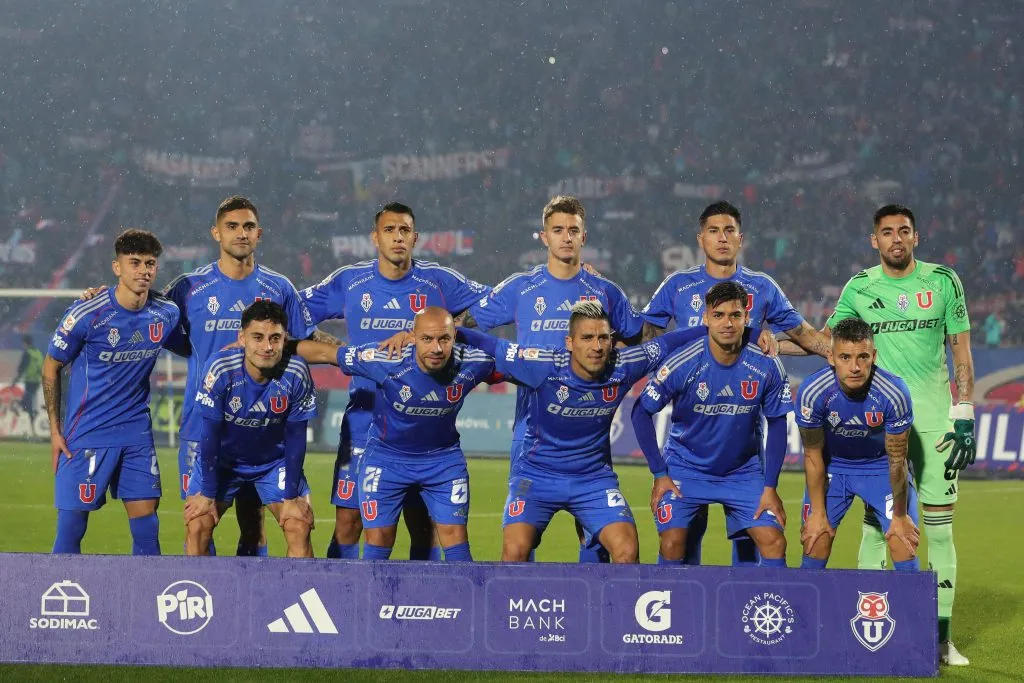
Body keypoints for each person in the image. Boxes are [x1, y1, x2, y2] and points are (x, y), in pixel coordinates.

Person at [456, 302, 754, 563]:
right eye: (587, 338)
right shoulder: (541, 364)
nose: (597, 346)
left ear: (612, 341)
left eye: (603, 338)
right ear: (570, 342)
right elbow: (489, 344)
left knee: (627, 549)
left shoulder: (623, 366)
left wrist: (742, 334)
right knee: (515, 549)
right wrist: (447, 330)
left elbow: (669, 342)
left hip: (593, 480)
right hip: (537, 477)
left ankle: (616, 613)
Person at [820, 204, 975, 666]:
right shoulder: (860, 287)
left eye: (904, 231)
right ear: (875, 240)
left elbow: (961, 351)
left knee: (940, 532)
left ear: (916, 236)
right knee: (877, 531)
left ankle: (940, 639)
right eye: (887, 232)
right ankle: (874, 631)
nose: (896, 239)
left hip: (935, 427)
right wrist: (775, 340)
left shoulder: (943, 282)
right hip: (882, 428)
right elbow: (827, 341)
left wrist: (964, 413)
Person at [641, 200, 830, 568]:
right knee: (684, 534)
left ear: (741, 239)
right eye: (714, 231)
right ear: (700, 239)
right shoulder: (678, 286)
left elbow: (804, 337)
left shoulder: (762, 287)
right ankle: (683, 602)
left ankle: (749, 604)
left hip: (743, 443)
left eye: (729, 231)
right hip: (690, 434)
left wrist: (837, 352)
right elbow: (646, 337)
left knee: (749, 540)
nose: (722, 238)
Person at [299, 201, 489, 561]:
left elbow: (496, 303)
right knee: (349, 522)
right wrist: (337, 348)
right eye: (389, 230)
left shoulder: (439, 281)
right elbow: (293, 311)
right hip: (364, 418)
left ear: (415, 238)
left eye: (404, 230)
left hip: (420, 423)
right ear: (375, 237)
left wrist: (447, 329)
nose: (397, 237)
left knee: (423, 527)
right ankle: (343, 593)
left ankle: (422, 596)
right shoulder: (350, 281)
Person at [463, 195, 644, 564]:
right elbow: (468, 324)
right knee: (521, 539)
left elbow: (636, 338)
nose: (566, 237)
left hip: (587, 428)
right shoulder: (521, 288)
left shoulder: (605, 291)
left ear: (584, 236)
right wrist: (490, 366)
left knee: (594, 537)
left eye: (573, 230)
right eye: (558, 230)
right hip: (533, 429)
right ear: (544, 237)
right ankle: (521, 599)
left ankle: (594, 599)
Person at [294, 307, 497, 561]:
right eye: (427, 339)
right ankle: (370, 588)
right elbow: (327, 353)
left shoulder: (474, 361)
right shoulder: (386, 358)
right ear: (413, 337)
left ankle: (455, 589)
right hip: (386, 459)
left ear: (454, 337)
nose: (436, 348)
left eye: (444, 339)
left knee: (455, 539)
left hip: (443, 462)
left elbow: (520, 365)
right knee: (379, 538)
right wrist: (277, 350)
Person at [631, 281, 792, 567]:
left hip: (742, 473)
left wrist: (770, 487)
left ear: (746, 318)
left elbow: (778, 424)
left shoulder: (767, 364)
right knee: (672, 542)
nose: (727, 323)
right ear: (706, 318)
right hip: (686, 468)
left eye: (735, 315)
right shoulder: (683, 361)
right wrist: (659, 473)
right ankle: (671, 597)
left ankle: (763, 597)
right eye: (718, 315)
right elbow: (641, 412)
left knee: (774, 542)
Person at [42, 229, 181, 555]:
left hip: (136, 434)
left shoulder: (166, 313)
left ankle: (147, 588)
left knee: (148, 529)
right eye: (135, 262)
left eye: (150, 263)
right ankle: (58, 590)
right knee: (71, 530)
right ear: (117, 267)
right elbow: (50, 366)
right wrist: (55, 431)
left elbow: (192, 346)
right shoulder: (87, 313)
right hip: (87, 433)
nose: (143, 270)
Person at [183, 301, 317, 558]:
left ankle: (299, 585)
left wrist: (291, 498)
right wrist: (207, 494)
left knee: (298, 525)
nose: (267, 347)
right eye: (258, 337)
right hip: (224, 463)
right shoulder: (221, 369)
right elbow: (209, 434)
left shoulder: (296, 372)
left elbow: (296, 437)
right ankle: (199, 585)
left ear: (284, 339)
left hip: (273, 464)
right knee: (198, 524)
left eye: (275, 338)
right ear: (242, 338)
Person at [797, 318, 920, 571]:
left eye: (862, 357)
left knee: (903, 541)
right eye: (845, 357)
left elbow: (897, 459)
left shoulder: (893, 393)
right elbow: (812, 454)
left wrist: (899, 517)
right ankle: (806, 599)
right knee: (815, 539)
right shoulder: (813, 391)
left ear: (873, 356)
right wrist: (818, 513)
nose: (855, 367)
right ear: (831, 357)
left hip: (880, 467)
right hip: (833, 467)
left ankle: (912, 599)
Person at [11, 334, 43, 422]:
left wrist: (15, 381)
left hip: (30, 380)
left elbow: (21, 368)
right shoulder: (37, 352)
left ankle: (30, 412)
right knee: (30, 398)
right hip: (37, 380)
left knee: (27, 399)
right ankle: (31, 413)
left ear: (24, 343)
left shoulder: (27, 353)